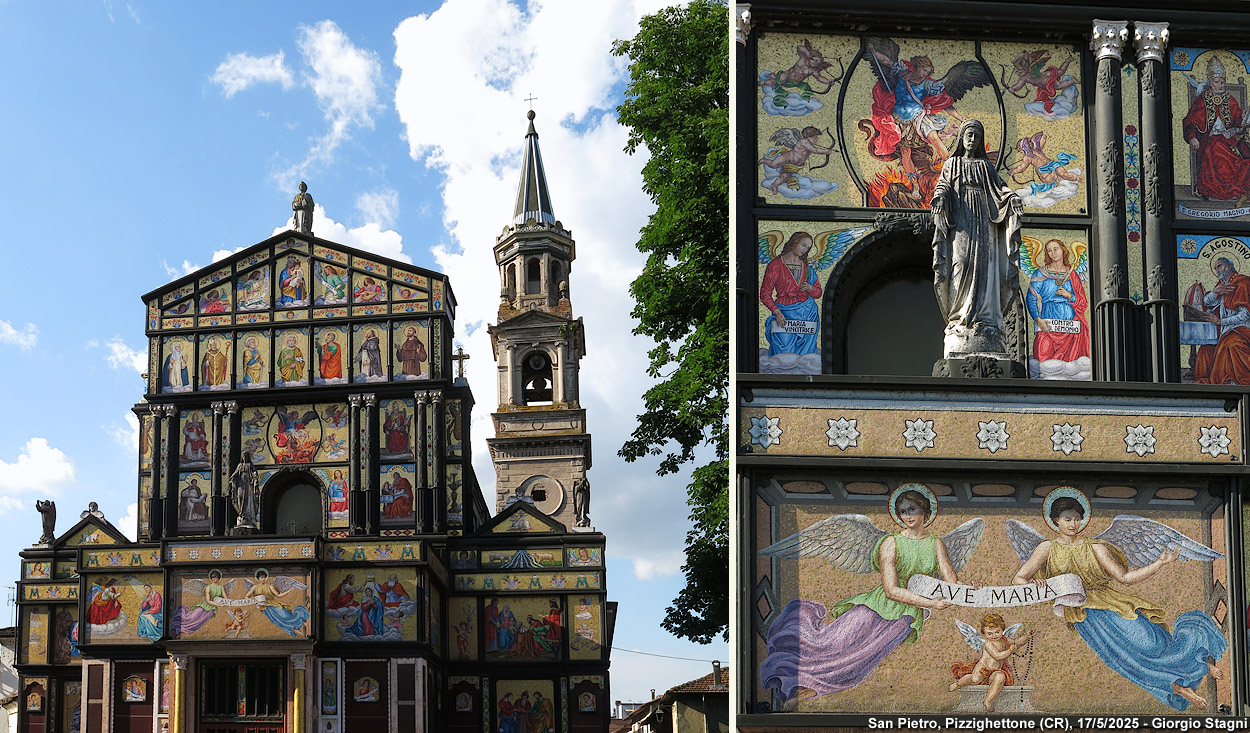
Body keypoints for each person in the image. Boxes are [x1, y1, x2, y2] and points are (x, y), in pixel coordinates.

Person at [1011, 493, 1226, 711]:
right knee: (1127, 661)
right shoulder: (1046, 548)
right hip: (1085, 618)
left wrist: (1159, 563)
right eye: (1067, 519)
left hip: (1111, 605)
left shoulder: (1096, 547)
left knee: (1151, 641)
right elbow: (1019, 578)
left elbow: (1124, 578)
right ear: (1055, 520)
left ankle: (1198, 664)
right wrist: (1037, 587)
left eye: (1077, 519)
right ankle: (1178, 687)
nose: (1073, 524)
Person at [760, 487, 962, 704]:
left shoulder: (936, 543)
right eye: (903, 511)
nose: (908, 516)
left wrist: (971, 590)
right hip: (876, 608)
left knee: (860, 661)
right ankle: (793, 675)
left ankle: (809, 690)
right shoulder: (890, 543)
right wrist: (930, 603)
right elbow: (891, 590)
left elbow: (951, 579)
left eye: (912, 509)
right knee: (831, 645)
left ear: (925, 511)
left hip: (905, 619)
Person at [931, 119, 1023, 356]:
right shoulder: (952, 163)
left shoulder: (985, 166)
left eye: (976, 136)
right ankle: (960, 317)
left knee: (984, 266)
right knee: (961, 262)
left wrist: (1011, 198)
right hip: (961, 218)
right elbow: (943, 185)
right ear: (961, 138)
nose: (972, 140)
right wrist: (940, 197)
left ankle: (985, 318)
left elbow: (1000, 189)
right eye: (968, 135)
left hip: (983, 221)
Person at [1183, 57, 1250, 205]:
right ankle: (1224, 190)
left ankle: (1233, 189)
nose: (1220, 85)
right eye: (1216, 82)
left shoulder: (1230, 99)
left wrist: (1243, 118)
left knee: (1238, 158)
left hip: (1229, 140)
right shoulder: (1203, 99)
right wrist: (1192, 137)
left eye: (1222, 82)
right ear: (1210, 82)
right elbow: (1191, 120)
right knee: (1216, 151)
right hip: (1209, 140)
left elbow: (1237, 120)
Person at [1025, 238, 1089, 367]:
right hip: (1047, 324)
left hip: (1070, 327)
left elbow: (1083, 303)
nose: (1053, 253)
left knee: (1071, 365)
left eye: (1056, 249)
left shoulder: (1073, 275)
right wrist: (1037, 319)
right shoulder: (1041, 273)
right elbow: (1031, 298)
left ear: (1063, 250)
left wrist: (1070, 295)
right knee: (1044, 360)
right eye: (1049, 250)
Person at [949, 613, 1031, 712]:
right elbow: (997, 656)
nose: (994, 636)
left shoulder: (1004, 640)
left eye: (997, 632)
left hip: (995, 671)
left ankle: (988, 701)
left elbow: (1016, 642)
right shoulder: (988, 643)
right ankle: (958, 684)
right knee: (975, 679)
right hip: (983, 669)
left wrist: (1026, 637)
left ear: (1002, 630)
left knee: (1000, 677)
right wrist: (1010, 651)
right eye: (989, 633)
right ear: (984, 633)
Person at [759, 231, 822, 358]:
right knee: (783, 351)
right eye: (803, 245)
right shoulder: (775, 266)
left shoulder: (808, 268)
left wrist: (810, 288)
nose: (805, 250)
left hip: (808, 313)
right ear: (794, 242)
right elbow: (765, 293)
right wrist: (777, 312)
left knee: (806, 357)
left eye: (808, 248)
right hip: (784, 313)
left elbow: (818, 293)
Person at [1192, 256, 1250, 384]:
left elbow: (1245, 315)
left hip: (1242, 331)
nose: (1217, 270)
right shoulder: (1223, 284)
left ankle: (1229, 381)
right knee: (1205, 349)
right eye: (1215, 268)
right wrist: (1214, 292)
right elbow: (1207, 301)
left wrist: (1220, 322)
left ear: (1229, 267)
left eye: (1219, 266)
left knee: (1230, 344)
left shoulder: (1242, 283)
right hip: (1225, 331)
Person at [247, 569, 311, 637]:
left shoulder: (270, 586)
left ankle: (301, 621)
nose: (263, 579)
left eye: (264, 577)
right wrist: (255, 600)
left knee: (286, 616)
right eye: (261, 577)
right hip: (267, 609)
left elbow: (279, 595)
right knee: (280, 622)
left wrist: (289, 590)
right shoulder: (254, 587)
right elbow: (247, 596)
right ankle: (299, 631)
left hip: (274, 605)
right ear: (258, 578)